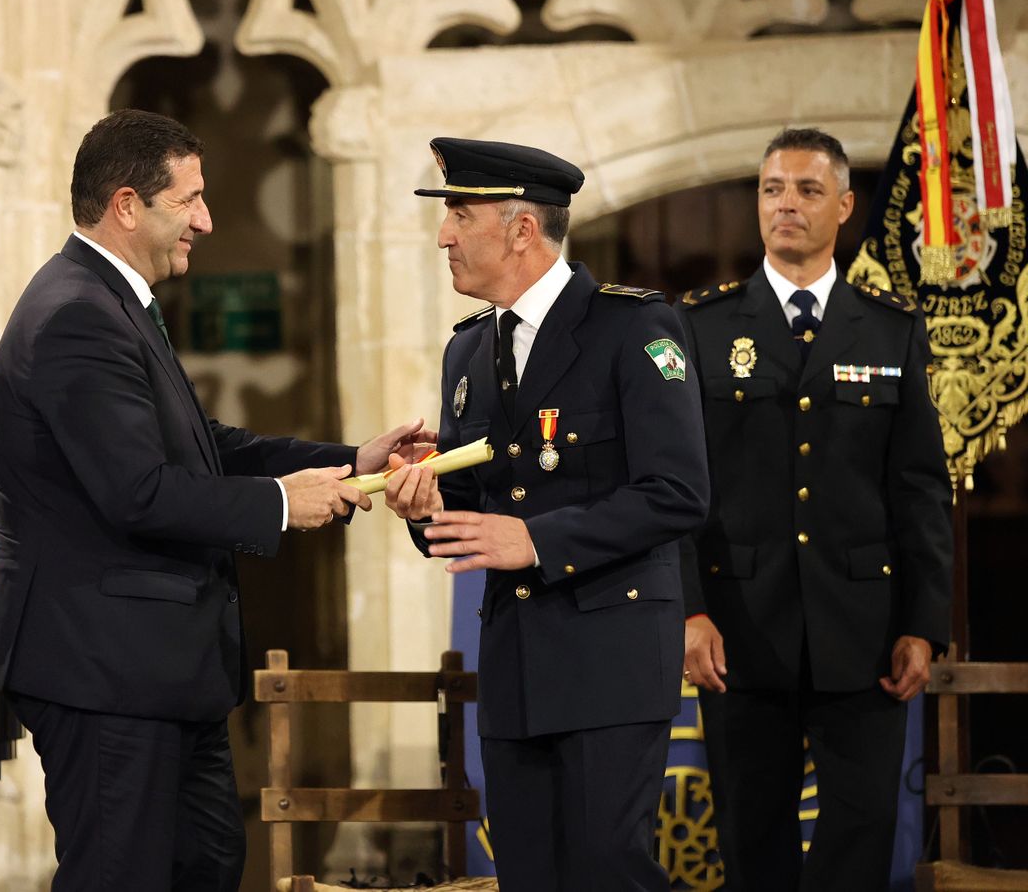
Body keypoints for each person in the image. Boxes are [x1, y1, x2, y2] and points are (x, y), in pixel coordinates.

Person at [0, 109, 434, 891]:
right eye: (188, 200)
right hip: (106, 672)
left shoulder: (112, 301)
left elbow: (204, 446)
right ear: (127, 205)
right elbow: (139, 494)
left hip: (159, 672)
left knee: (208, 867)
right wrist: (282, 506)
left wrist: (350, 462)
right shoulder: (76, 315)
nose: (206, 220)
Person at [384, 137, 709, 889]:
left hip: (610, 655)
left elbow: (679, 492)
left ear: (523, 229)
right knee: (528, 875)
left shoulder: (634, 329)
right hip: (516, 664)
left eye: (459, 216)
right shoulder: (467, 352)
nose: (444, 235)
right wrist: (419, 498)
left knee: (607, 871)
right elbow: (472, 512)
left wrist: (536, 540)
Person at [677, 127, 951, 890]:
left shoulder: (892, 327)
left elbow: (920, 488)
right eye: (771, 189)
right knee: (751, 840)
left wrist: (923, 626)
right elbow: (677, 488)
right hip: (741, 632)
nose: (785, 204)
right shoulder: (700, 327)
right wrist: (690, 611)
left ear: (844, 206)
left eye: (805, 189)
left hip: (864, 635)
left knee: (857, 847)